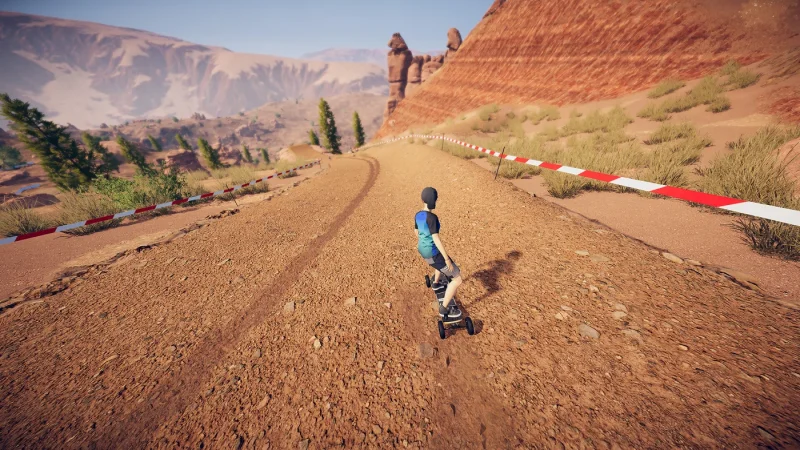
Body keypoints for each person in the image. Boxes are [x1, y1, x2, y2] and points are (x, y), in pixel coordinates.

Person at [414, 187, 462, 318]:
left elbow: (416, 232)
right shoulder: (432, 218)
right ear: (434, 200)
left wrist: (424, 242)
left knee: (438, 264)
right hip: (433, 253)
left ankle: (436, 283)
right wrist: (447, 259)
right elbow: (436, 238)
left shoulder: (418, 215)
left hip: (423, 251)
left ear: (422, 199)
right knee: (457, 279)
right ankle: (444, 309)